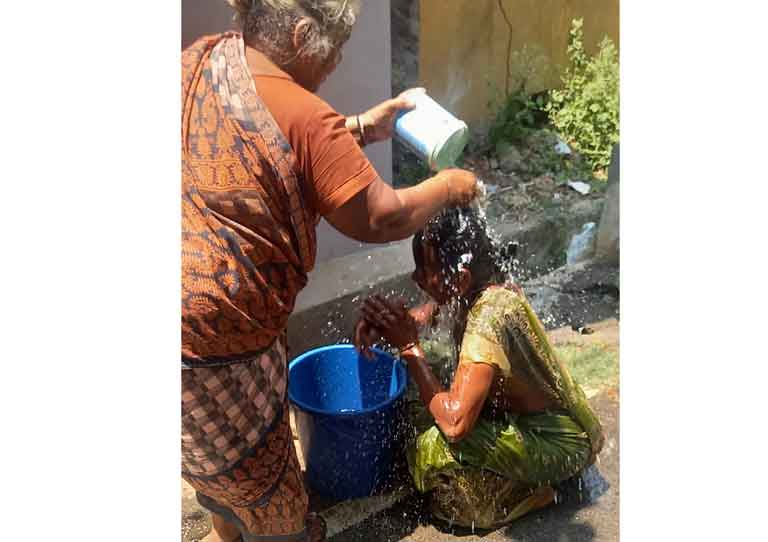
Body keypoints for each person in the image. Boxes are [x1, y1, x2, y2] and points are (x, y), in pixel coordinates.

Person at [181, 1, 479, 541]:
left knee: (211, 460)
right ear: (300, 34)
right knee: (265, 487)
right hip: (217, 342)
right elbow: (380, 214)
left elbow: (272, 143)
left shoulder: (203, 63)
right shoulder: (306, 115)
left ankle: (228, 527)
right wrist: (449, 186)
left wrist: (364, 126)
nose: (336, 62)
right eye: (336, 48)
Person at [355, 208, 605, 529]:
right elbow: (428, 314)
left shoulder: (488, 319)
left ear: (459, 278)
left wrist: (408, 347)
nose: (415, 278)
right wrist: (392, 324)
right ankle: (522, 482)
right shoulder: (479, 286)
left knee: (429, 444)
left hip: (557, 444)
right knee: (424, 385)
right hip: (543, 422)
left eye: (424, 270)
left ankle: (540, 491)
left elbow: (455, 424)